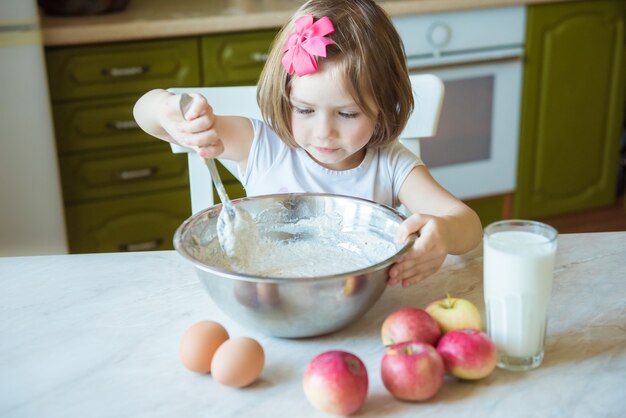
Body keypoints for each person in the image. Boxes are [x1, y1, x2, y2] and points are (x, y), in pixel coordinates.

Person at [133, 0, 482, 288]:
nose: (323, 132)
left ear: (383, 108)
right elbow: (146, 115)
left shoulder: (389, 165)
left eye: (347, 114)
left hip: (357, 310)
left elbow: (467, 225)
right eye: (304, 110)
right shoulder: (262, 146)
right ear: (285, 99)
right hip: (263, 302)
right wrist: (165, 110)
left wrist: (445, 234)